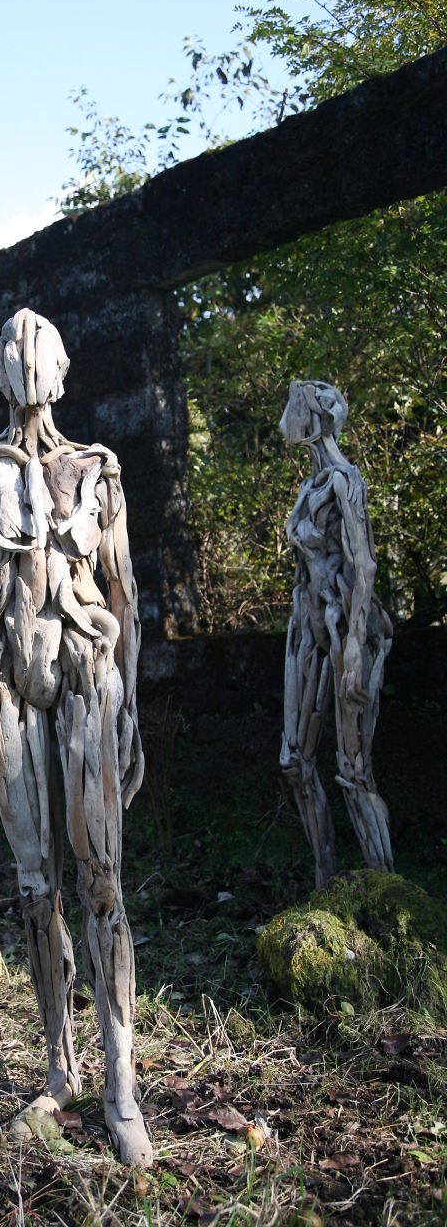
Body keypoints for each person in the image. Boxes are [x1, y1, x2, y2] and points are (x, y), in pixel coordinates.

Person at [0, 308, 152, 1167]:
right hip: (6, 685)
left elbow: (123, 593)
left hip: (87, 677)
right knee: (34, 887)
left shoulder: (98, 468)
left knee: (101, 879)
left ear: (62, 370)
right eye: (14, 352)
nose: (28, 362)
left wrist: (130, 711)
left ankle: (121, 1080)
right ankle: (61, 1067)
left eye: (41, 352)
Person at [280, 379, 394, 886]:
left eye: (295, 407)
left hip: (346, 627)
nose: (286, 418)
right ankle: (325, 887)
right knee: (295, 762)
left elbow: (363, 564)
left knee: (354, 770)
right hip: (308, 630)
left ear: (315, 418)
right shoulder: (310, 487)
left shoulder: (346, 481)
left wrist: (353, 649)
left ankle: (387, 891)